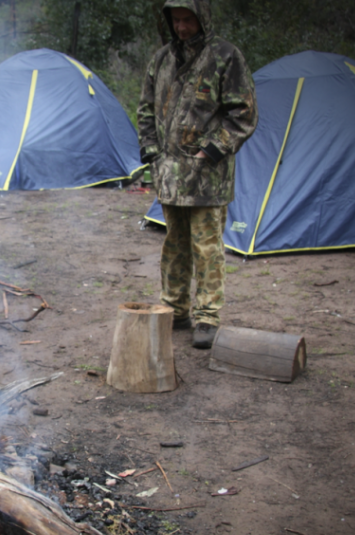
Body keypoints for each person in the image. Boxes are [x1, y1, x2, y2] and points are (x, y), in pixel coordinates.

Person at [137, 0, 257, 348]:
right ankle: (175, 308)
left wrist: (212, 149)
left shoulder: (225, 56)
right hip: (170, 174)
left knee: (206, 246)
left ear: (201, 17)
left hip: (208, 176)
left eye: (187, 19)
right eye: (176, 20)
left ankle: (207, 317)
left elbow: (244, 113)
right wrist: (151, 150)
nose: (182, 27)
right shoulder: (161, 60)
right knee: (174, 243)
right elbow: (145, 107)